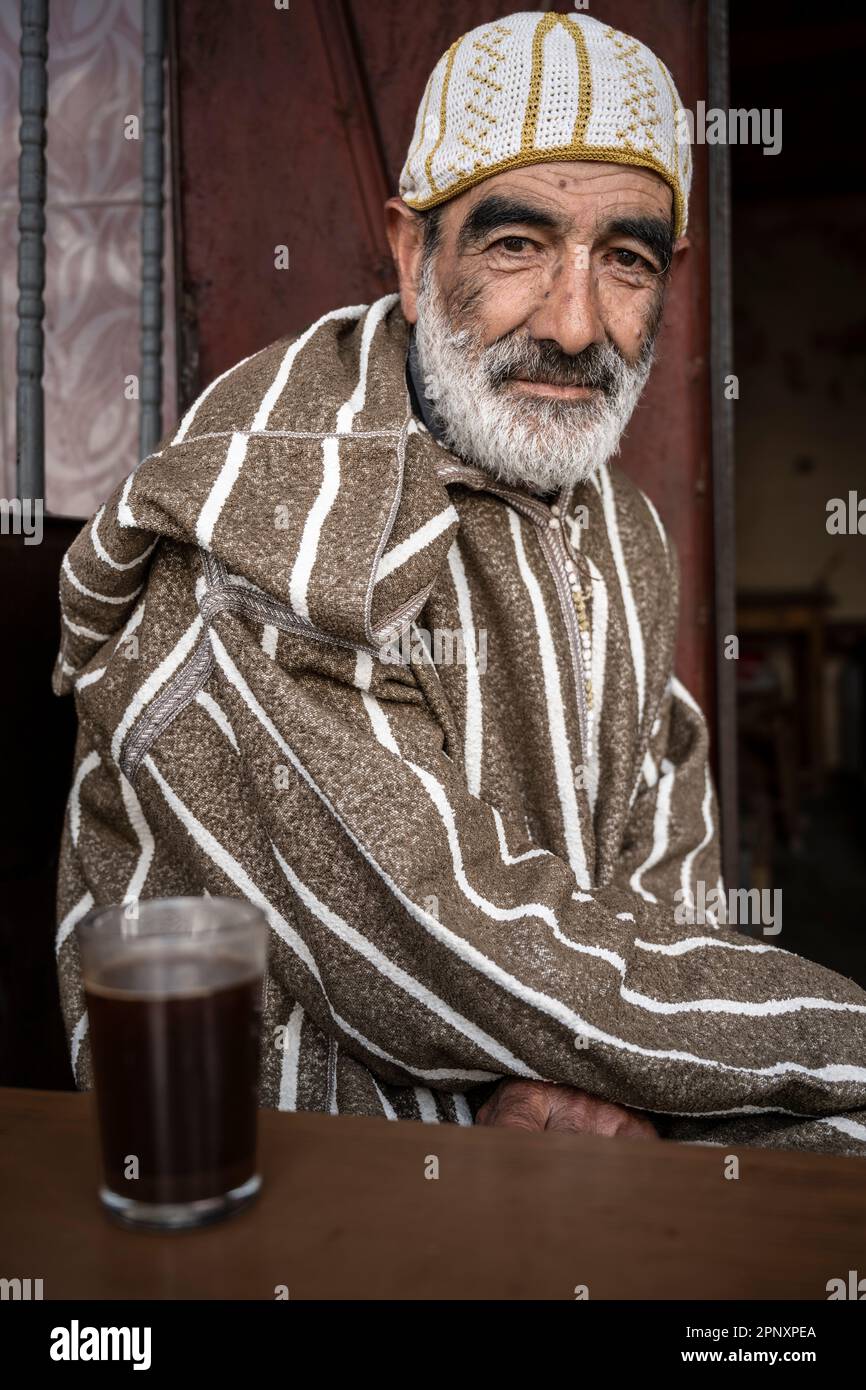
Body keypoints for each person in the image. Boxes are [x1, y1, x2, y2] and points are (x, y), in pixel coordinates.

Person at [54, 11, 866, 1154]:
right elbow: (433, 938)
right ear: (408, 250)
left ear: (666, 279)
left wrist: (633, 1097)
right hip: (269, 1161)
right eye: (515, 246)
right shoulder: (278, 515)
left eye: (623, 259)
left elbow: (667, 875)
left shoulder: (618, 532)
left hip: (575, 1108)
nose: (575, 322)